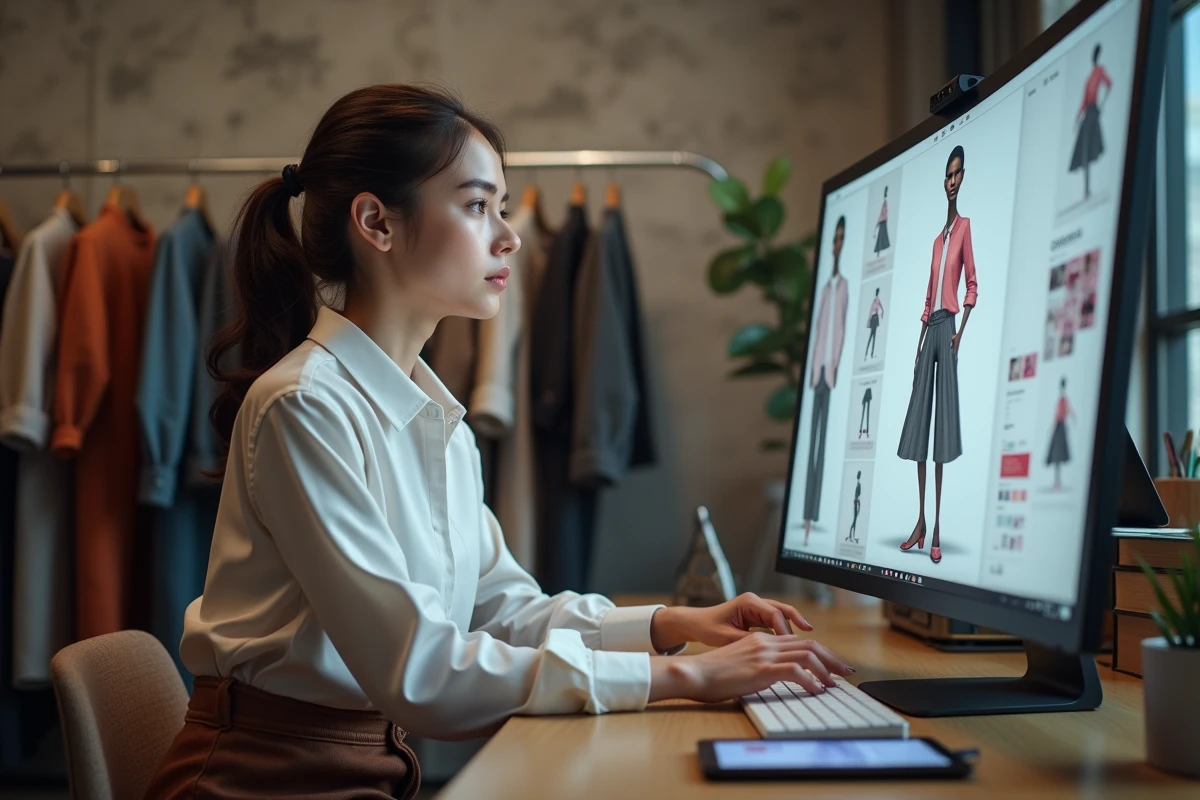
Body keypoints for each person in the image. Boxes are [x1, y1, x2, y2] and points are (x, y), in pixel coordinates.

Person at [141, 85, 852, 799]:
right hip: (262, 780)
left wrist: (676, 626)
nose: (508, 236)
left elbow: (503, 612)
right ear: (376, 223)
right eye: (479, 206)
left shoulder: (435, 418)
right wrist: (686, 677)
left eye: (501, 208)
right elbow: (419, 671)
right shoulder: (304, 407)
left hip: (364, 767)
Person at [897, 145, 978, 566]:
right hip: (931, 330)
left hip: (949, 331)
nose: (951, 181)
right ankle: (921, 520)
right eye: (947, 175)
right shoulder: (935, 240)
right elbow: (929, 295)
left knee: (942, 429)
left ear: (963, 177)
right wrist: (919, 337)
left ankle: (939, 527)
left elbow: (972, 285)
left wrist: (960, 334)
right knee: (918, 427)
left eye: (956, 174)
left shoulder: (964, 228)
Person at [803, 217, 849, 547]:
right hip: (816, 371)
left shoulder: (844, 285)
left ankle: (815, 515)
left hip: (829, 374)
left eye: (839, 239)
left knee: (822, 445)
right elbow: (819, 329)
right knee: (811, 449)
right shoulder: (824, 288)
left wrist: (834, 364)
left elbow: (841, 329)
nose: (835, 244)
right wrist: (813, 369)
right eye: (834, 238)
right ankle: (806, 518)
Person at [1071, 43, 1113, 202]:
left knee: (1091, 149)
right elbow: (1083, 101)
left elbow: (1109, 85)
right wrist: (1076, 120)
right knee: (1084, 153)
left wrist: (1102, 105)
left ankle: (1091, 191)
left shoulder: (1100, 71)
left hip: (1093, 113)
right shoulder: (1089, 78)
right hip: (1087, 114)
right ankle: (1086, 191)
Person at [1047, 377, 1076, 490]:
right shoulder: (1060, 400)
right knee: (1056, 457)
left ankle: (1058, 482)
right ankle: (1057, 482)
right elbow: (1057, 415)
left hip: (1061, 427)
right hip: (1057, 427)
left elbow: (1068, 411)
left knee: (1058, 456)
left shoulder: (1064, 400)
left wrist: (1073, 419)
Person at [865, 287, 884, 360]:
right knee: (871, 337)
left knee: (873, 337)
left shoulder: (876, 300)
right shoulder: (875, 300)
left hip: (875, 318)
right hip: (874, 319)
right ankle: (868, 354)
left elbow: (881, 308)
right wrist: (869, 320)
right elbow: (871, 311)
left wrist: (882, 314)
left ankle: (870, 354)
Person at [874, 187, 890, 256]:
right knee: (880, 237)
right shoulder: (884, 203)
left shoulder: (885, 203)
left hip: (883, 221)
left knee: (883, 237)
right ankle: (878, 253)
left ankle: (881, 253)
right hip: (882, 221)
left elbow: (884, 212)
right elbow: (883, 213)